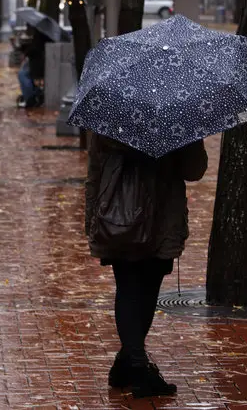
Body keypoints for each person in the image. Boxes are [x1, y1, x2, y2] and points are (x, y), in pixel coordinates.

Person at [85, 134, 208, 398]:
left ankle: (126, 362)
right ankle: (139, 369)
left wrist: (91, 219)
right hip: (161, 218)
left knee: (129, 288)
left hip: (118, 218)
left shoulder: (109, 114)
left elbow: (94, 170)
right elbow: (194, 170)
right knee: (146, 291)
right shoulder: (177, 120)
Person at [13, 27, 48, 108]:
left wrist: (26, 51)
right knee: (23, 73)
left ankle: (31, 97)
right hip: (35, 63)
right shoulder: (39, 34)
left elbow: (35, 49)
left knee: (22, 75)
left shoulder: (40, 34)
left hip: (38, 64)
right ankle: (32, 95)